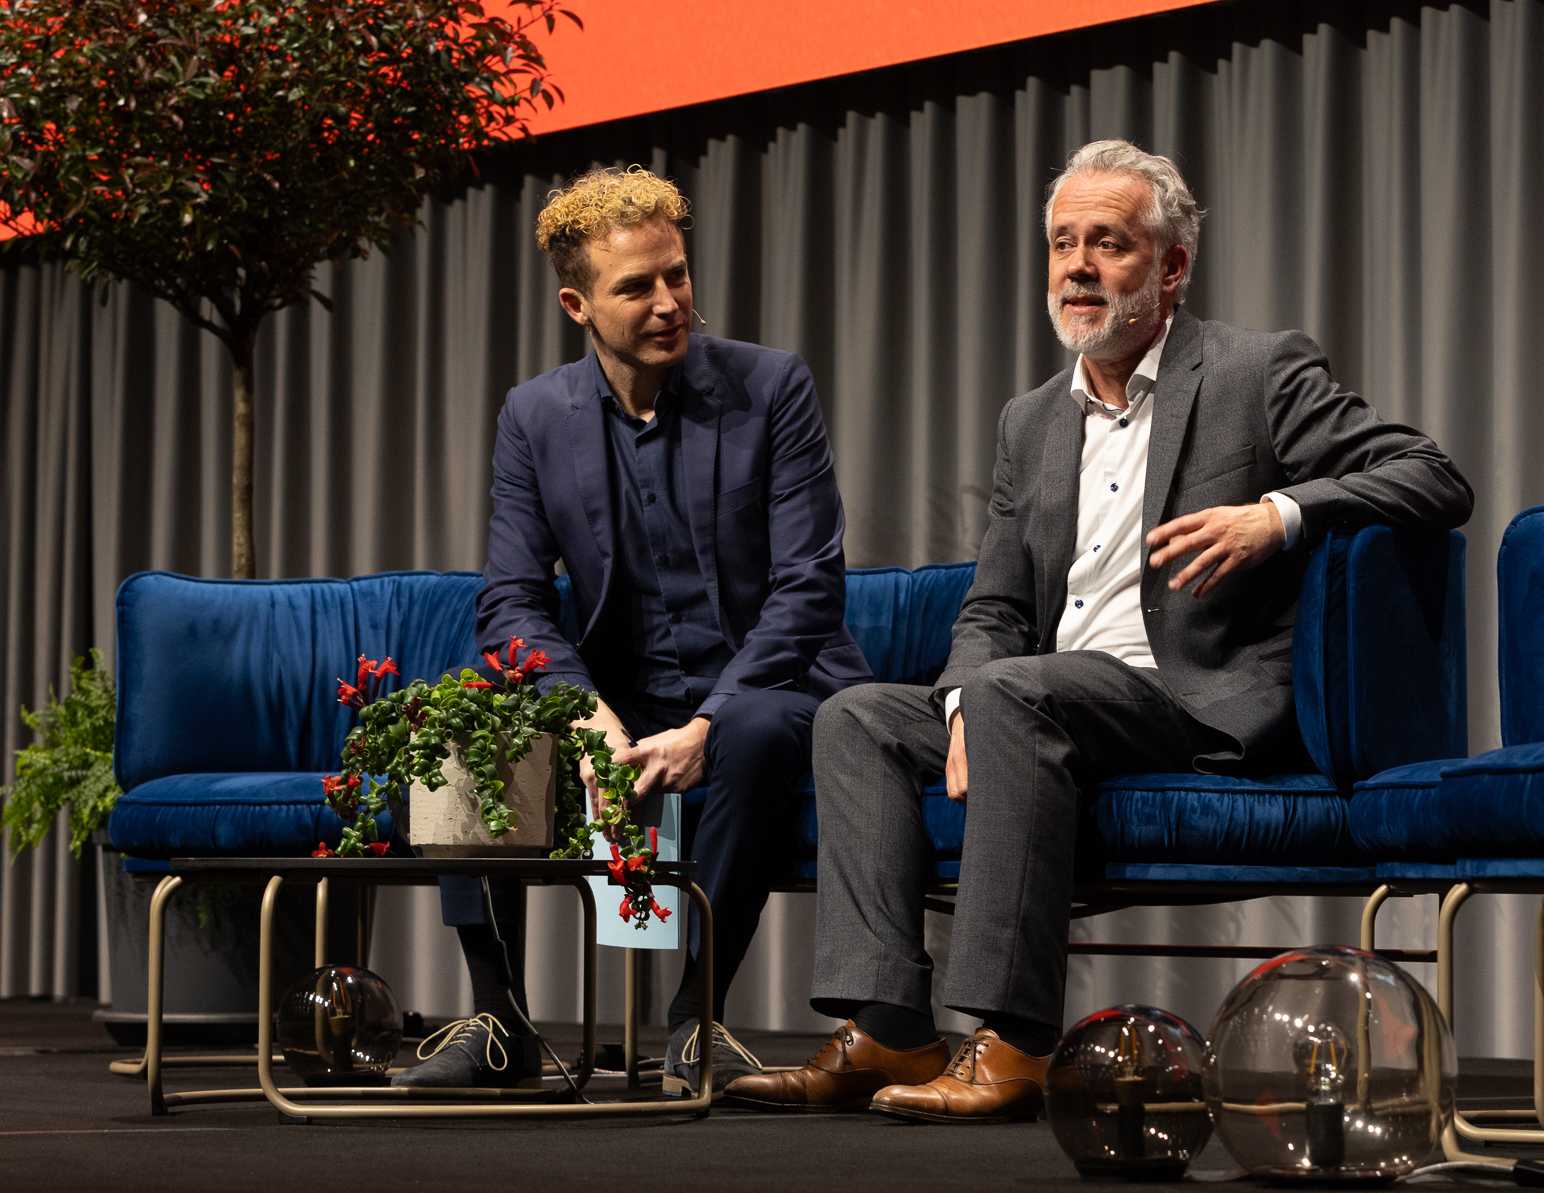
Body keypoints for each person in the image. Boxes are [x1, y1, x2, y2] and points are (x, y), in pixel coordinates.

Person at [724, 140, 1474, 1121]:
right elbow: (994, 607)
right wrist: (957, 702)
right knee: (860, 715)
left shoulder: (1255, 371)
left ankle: (1018, 1042)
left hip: (1194, 696)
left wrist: (1280, 512)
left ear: (1170, 267)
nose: (1077, 266)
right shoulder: (1030, 420)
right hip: (1041, 696)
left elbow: (1435, 477)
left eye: (1108, 243)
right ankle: (891, 1028)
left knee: (1011, 691)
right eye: (1062, 243)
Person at [396, 166, 872, 1096]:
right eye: (636, 287)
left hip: (763, 682)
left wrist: (712, 717)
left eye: (678, 275)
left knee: (760, 729)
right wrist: (582, 715)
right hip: (616, 692)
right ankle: (501, 1023)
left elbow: (809, 585)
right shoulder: (534, 416)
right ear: (578, 303)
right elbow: (512, 602)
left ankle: (697, 1018)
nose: (668, 302)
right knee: (460, 724)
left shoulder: (771, 386)